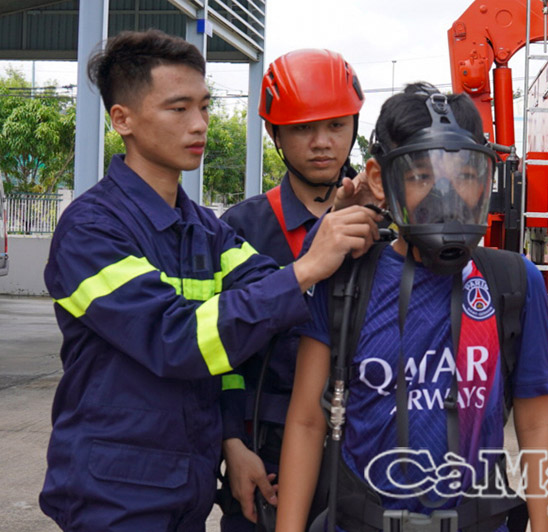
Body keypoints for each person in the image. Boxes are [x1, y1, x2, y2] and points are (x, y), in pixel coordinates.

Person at [39, 30, 381, 531]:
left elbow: (270, 295)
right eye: (178, 109)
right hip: (114, 494)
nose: (199, 124)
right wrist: (309, 265)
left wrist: (334, 226)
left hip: (186, 488)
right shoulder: (90, 230)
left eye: (204, 106)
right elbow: (176, 339)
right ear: (122, 119)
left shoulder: (204, 229)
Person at [276, 84, 548, 532]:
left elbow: (537, 421)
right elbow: (308, 420)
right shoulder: (347, 276)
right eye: (421, 176)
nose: (446, 195)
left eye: (465, 175)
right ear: (379, 178)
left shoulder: (512, 281)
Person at [216, 48, 379, 530]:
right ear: (276, 135)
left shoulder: (383, 227)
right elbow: (218, 350)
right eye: (303, 128)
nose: (322, 142)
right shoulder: (240, 229)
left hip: (364, 451)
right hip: (264, 453)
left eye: (336, 125)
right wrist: (232, 445)